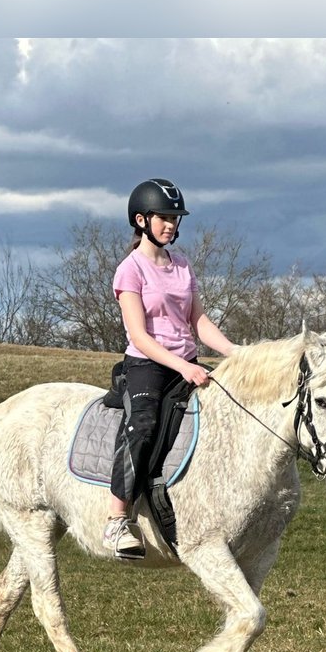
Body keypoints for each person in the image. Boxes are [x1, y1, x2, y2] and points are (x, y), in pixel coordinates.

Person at [104, 178, 235, 560]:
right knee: (143, 425)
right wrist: (183, 366)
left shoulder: (182, 266)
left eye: (175, 218)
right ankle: (117, 520)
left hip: (187, 364)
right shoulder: (130, 270)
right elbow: (139, 336)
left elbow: (199, 320)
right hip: (148, 366)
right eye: (163, 217)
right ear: (142, 220)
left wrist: (233, 351)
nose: (171, 225)